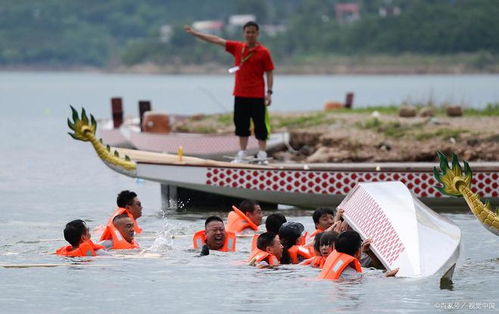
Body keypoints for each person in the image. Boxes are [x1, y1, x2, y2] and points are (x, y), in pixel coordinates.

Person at [185, 21, 274, 163]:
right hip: (240, 94)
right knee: (241, 125)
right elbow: (216, 40)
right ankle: (242, 153)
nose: (250, 35)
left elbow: (269, 72)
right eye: (247, 32)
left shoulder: (264, 52)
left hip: (257, 95)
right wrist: (196, 33)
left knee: (260, 125)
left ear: (257, 34)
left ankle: (262, 154)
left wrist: (269, 92)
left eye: (253, 32)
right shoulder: (237, 47)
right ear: (244, 33)